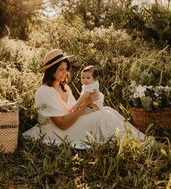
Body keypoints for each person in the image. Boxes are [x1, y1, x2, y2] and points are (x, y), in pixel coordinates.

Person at [23, 49, 153, 149]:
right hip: (57, 132)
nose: (65, 73)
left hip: (71, 123)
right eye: (60, 69)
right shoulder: (45, 92)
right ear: (51, 71)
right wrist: (86, 104)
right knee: (104, 116)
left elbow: (74, 110)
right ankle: (142, 143)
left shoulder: (65, 88)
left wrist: (91, 106)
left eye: (66, 69)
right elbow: (62, 124)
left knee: (108, 110)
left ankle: (142, 140)